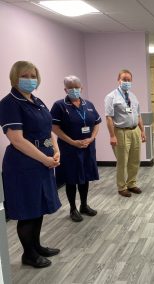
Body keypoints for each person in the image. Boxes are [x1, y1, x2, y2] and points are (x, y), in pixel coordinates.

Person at [0, 61, 61, 268]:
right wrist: (45, 159)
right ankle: (28, 254)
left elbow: (48, 130)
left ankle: (36, 246)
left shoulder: (37, 101)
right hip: (23, 166)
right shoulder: (9, 103)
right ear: (15, 78)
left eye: (33, 75)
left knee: (39, 207)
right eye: (24, 76)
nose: (30, 79)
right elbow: (17, 139)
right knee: (27, 210)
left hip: (43, 163)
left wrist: (56, 150)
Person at [50, 76, 101, 222]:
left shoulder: (88, 104)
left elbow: (97, 122)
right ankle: (73, 208)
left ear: (81, 88)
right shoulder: (59, 105)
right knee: (71, 179)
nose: (74, 90)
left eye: (76, 86)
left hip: (87, 148)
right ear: (65, 89)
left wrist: (91, 138)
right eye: (70, 87)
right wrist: (72, 142)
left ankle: (84, 205)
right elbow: (54, 127)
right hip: (69, 149)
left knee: (84, 178)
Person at [105, 69, 146, 197]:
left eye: (129, 80)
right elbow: (109, 117)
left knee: (135, 160)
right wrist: (112, 135)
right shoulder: (111, 97)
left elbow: (138, 115)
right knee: (122, 161)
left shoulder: (133, 96)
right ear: (119, 80)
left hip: (135, 130)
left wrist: (143, 130)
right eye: (124, 79)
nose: (127, 82)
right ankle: (121, 187)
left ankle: (132, 183)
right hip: (121, 132)